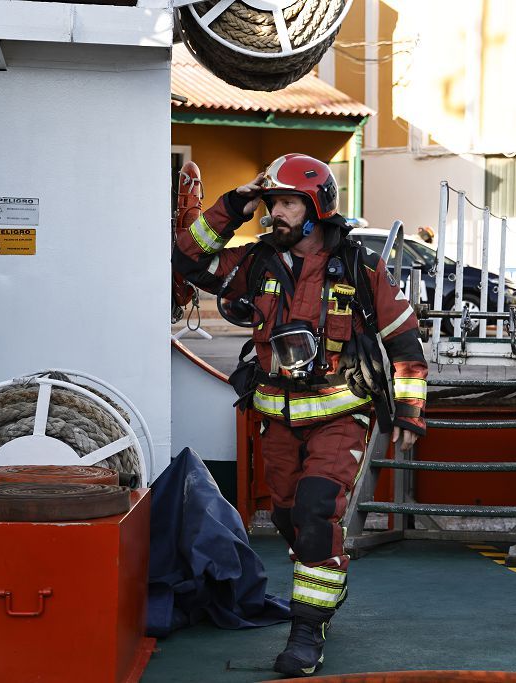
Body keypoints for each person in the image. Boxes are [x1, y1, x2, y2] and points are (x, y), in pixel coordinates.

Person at [172, 154, 428, 677]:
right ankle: (326, 572)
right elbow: (187, 260)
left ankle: (307, 631)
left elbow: (404, 340)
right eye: (271, 204)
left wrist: (408, 410)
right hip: (277, 419)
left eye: (287, 202)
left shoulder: (360, 268)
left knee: (315, 512)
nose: (276, 214)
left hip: (341, 416)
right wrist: (233, 206)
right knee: (289, 518)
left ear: (317, 208)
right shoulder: (257, 264)